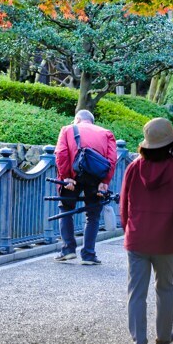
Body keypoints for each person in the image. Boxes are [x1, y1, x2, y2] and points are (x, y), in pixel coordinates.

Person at [119, 117, 173, 344]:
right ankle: (163, 337)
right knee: (165, 289)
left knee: (136, 292)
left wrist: (128, 229)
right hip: (165, 241)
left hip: (137, 238)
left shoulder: (133, 168)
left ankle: (139, 342)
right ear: (171, 145)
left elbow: (124, 203)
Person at [53, 109, 118, 265]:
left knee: (66, 209)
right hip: (96, 178)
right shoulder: (106, 133)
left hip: (73, 176)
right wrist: (105, 181)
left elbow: (61, 153)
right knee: (93, 216)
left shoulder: (68, 129)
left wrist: (65, 176)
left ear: (77, 119)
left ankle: (68, 250)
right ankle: (88, 255)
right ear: (91, 121)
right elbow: (112, 159)